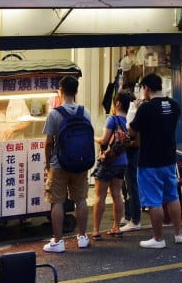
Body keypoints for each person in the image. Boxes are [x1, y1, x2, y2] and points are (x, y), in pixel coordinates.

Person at [129, 73, 182, 249]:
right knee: (172, 196)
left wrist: (137, 110)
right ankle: (178, 234)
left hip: (149, 161)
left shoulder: (146, 108)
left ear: (146, 88)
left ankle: (158, 238)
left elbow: (132, 132)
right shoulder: (174, 105)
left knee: (154, 201)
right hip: (169, 158)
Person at [42, 75, 92, 253]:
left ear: (60, 91)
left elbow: (48, 143)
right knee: (81, 199)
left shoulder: (55, 114)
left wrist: (48, 165)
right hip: (80, 163)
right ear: (77, 91)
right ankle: (82, 237)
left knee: (56, 201)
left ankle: (58, 241)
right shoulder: (85, 112)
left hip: (59, 164)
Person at [91, 93, 128, 239]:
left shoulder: (112, 119)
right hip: (122, 161)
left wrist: (93, 137)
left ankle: (95, 230)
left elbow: (104, 140)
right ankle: (117, 227)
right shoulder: (129, 120)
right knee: (117, 194)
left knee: (100, 196)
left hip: (108, 161)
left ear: (117, 103)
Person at [118, 91, 142, 233]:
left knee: (131, 184)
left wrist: (123, 143)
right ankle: (128, 216)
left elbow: (136, 140)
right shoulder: (129, 114)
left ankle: (135, 219)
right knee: (126, 185)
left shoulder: (133, 115)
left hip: (132, 153)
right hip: (128, 152)